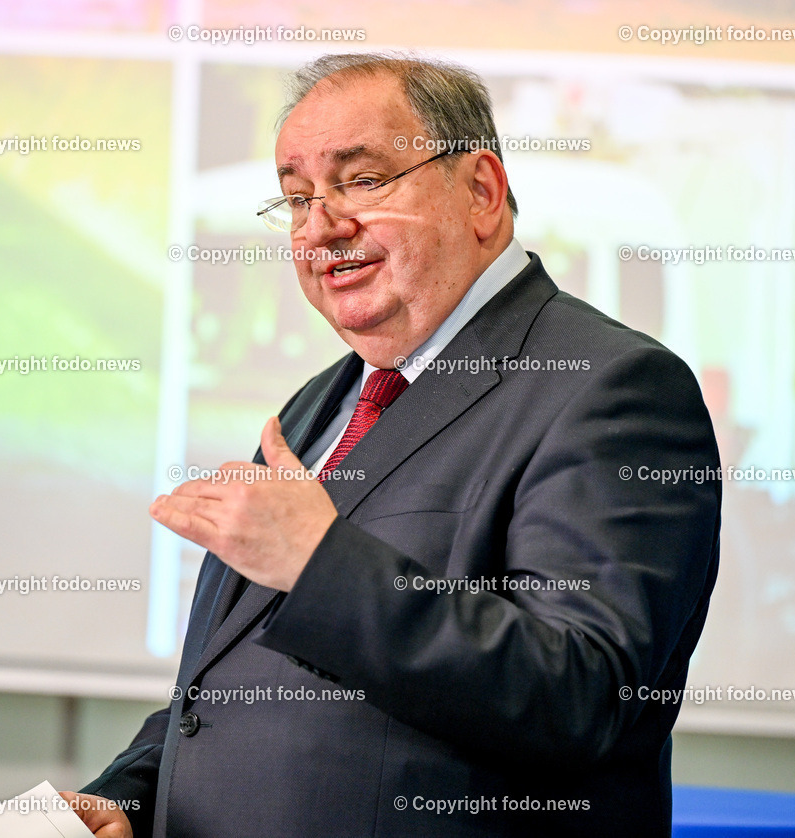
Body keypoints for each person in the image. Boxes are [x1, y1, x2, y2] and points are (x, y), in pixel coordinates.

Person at [61, 52, 721, 837]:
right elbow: (228, 686)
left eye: (362, 180)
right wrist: (127, 795)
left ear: (480, 191)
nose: (321, 226)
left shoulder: (615, 388)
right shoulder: (323, 401)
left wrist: (320, 565)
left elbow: (579, 697)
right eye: (297, 198)